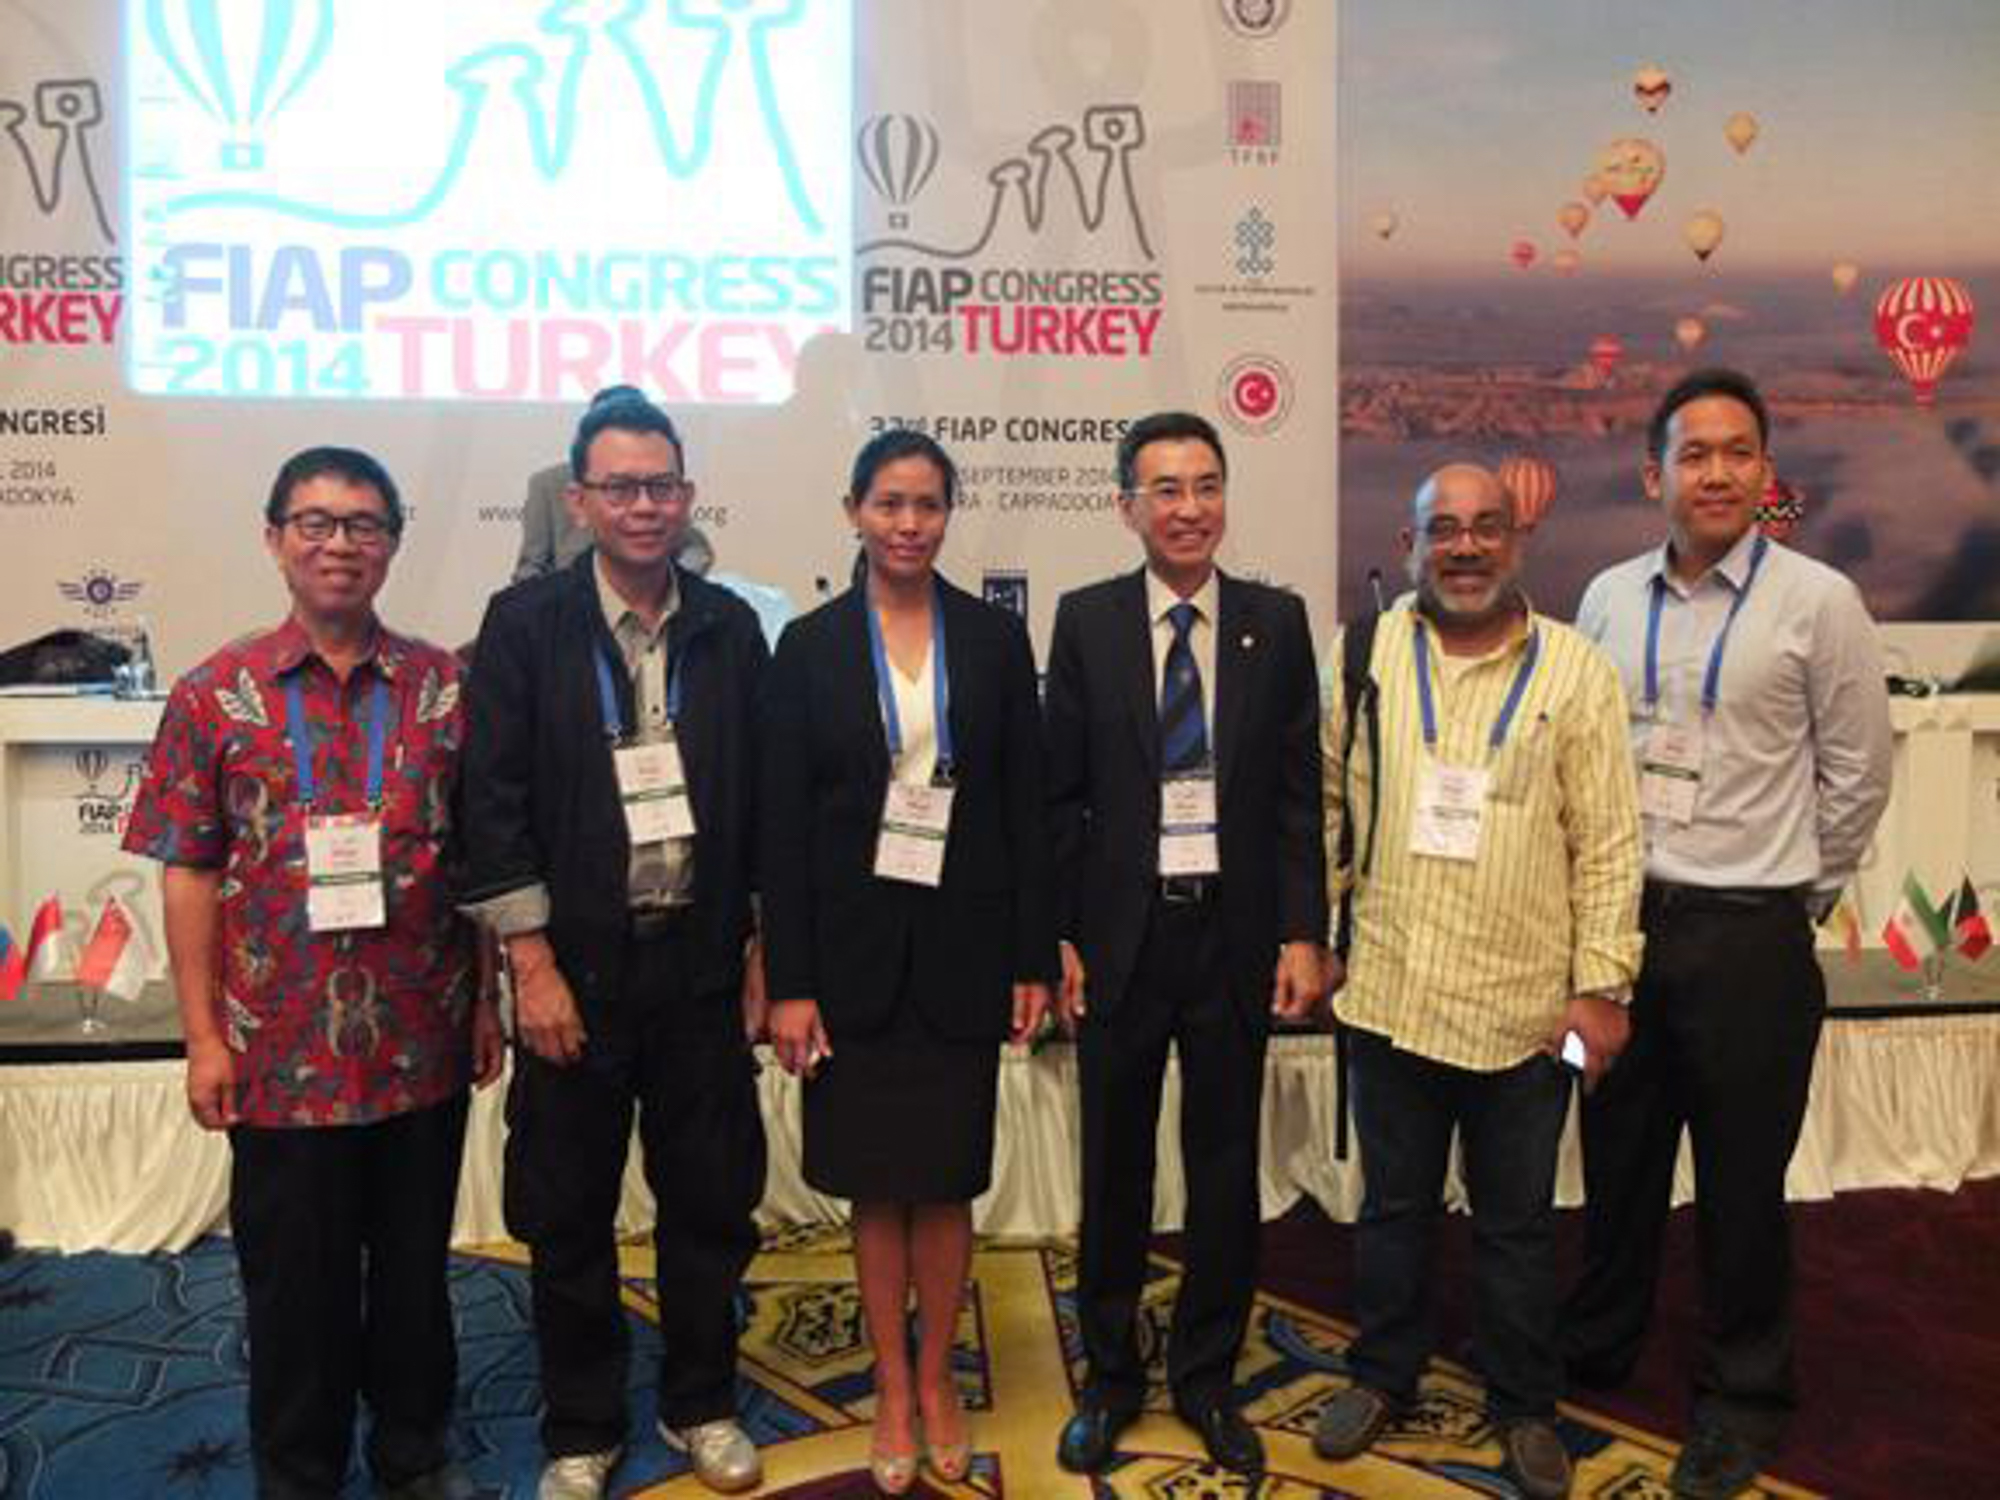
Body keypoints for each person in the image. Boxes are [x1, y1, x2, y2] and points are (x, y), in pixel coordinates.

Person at [123, 446, 504, 1500]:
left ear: (392, 543)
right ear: (275, 538)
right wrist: (203, 1037)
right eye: (317, 523)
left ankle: (414, 1452)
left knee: (416, 1272)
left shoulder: (443, 688)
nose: (341, 544)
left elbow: (475, 859)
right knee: (295, 1284)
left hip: (422, 1038)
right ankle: (299, 1471)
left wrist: (486, 1003)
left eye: (364, 525)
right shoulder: (216, 695)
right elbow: (190, 871)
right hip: (277, 1052)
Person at [1566, 368, 1893, 1500]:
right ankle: (1597, 1346)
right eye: (1693, 454)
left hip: (1750, 939)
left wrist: (1792, 894)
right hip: (1618, 935)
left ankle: (1744, 1393)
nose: (1716, 473)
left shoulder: (1820, 602)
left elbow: (1857, 774)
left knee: (1742, 1181)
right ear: (1652, 474)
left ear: (1765, 472)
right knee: (1613, 1158)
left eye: (1737, 453)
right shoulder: (1607, 597)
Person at [1310, 464, 1644, 1500]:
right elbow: (1326, 807)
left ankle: (1523, 1401)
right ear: (1408, 545)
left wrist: (1601, 990)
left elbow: (1607, 841)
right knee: (1392, 1208)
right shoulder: (1361, 653)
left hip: (1527, 1009)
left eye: (1484, 528)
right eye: (1442, 529)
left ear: (1517, 541)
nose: (1463, 547)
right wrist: (1317, 935)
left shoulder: (1576, 671)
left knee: (1516, 1224)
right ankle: (1382, 1373)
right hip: (1390, 992)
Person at [458, 395, 769, 1499]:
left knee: (711, 1203)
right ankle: (581, 1424)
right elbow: (491, 802)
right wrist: (530, 964)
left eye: (661, 486)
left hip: (698, 968)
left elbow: (762, 801)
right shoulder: (524, 625)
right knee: (567, 1211)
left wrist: (761, 948)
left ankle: (701, 1402)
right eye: (620, 487)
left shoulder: (728, 627)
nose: (644, 506)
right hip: (574, 974)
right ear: (579, 500)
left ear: (687, 498)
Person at [760, 429, 1057, 1495]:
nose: (908, 524)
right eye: (888, 504)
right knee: (873, 1190)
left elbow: (1026, 808)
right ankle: (890, 1382)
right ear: (853, 511)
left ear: (947, 514)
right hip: (850, 961)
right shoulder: (806, 648)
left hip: (964, 952)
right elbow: (783, 829)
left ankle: (939, 1380)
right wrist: (790, 982)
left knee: (945, 1185)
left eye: (927, 505)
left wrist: (1032, 956)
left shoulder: (992, 639)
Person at [1045, 410, 1327, 1477]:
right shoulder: (1085, 621)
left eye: (1206, 485)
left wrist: (1301, 931)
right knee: (1112, 1169)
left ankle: (1207, 1378)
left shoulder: (1275, 622)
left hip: (1232, 938)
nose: (1189, 508)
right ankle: (1111, 1380)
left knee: (1223, 1169)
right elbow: (1058, 798)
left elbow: (1297, 797)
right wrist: (1059, 936)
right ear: (1127, 506)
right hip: (1122, 940)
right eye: (1164, 489)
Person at [512, 386, 714, 582]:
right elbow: (530, 565)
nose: (644, 506)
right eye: (619, 488)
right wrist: (559, 594)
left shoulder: (666, 491)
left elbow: (697, 550)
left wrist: (670, 581)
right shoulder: (547, 483)